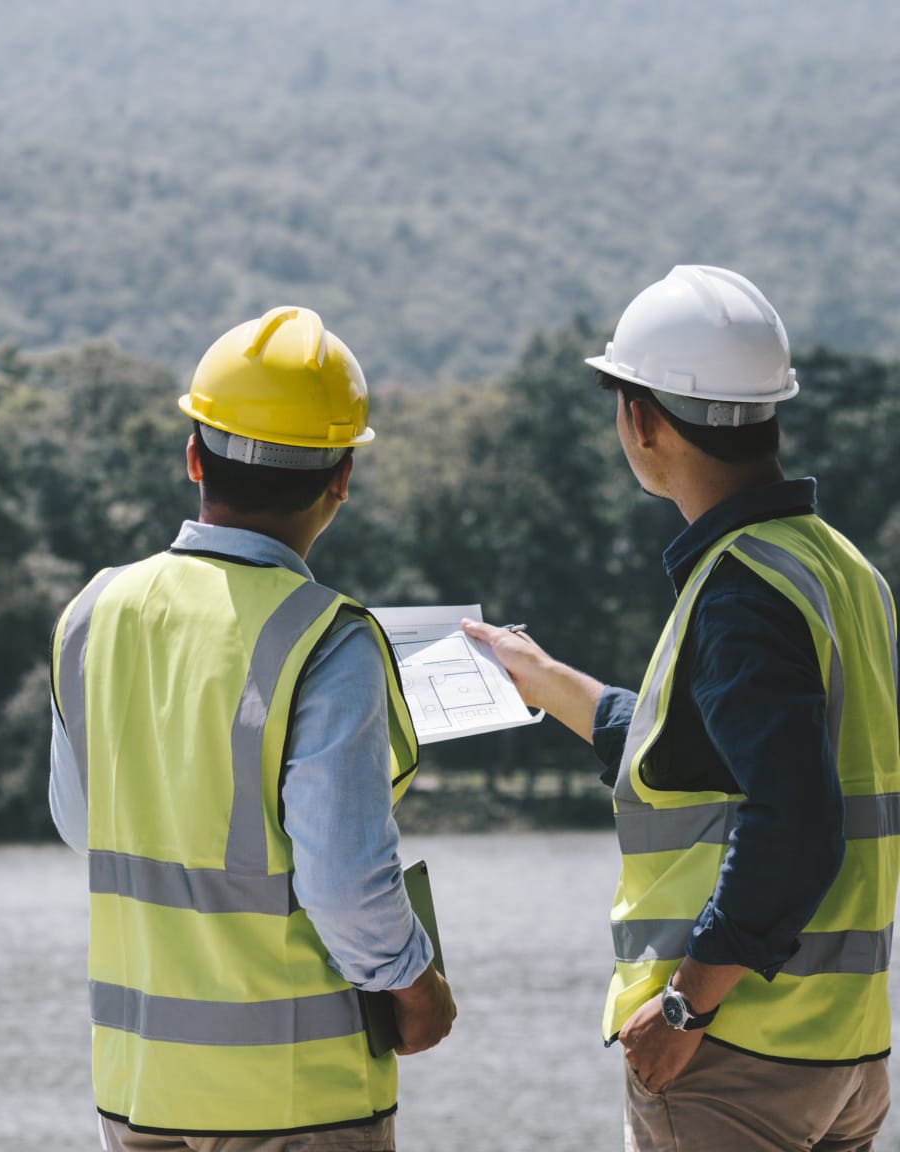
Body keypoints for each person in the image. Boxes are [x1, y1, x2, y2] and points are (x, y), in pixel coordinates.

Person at [465, 265, 900, 1151]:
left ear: (641, 419)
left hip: (739, 1052)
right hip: (845, 1050)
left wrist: (682, 1007)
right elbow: (698, 765)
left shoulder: (743, 588)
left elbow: (793, 821)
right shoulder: (838, 569)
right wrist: (551, 683)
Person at [49, 306, 456, 1152]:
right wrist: (416, 986)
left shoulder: (94, 612)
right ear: (342, 476)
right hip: (297, 1102)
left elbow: (82, 827)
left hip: (140, 1093)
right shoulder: (328, 638)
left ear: (194, 454)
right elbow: (345, 881)